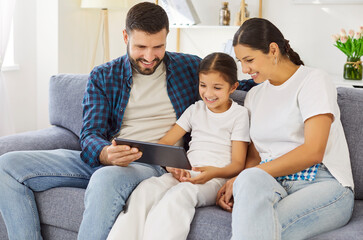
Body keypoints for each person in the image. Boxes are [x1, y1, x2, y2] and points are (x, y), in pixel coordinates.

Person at [0, 2, 256, 240]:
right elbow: (89, 133)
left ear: (167, 37)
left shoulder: (188, 68)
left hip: (151, 163)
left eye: (158, 47)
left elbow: (231, 83)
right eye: (141, 47)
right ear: (125, 37)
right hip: (108, 157)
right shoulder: (104, 76)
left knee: (105, 180)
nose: (150, 56)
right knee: (6, 165)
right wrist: (105, 153)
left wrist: (274, 78)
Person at [216, 18, 355, 240]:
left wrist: (251, 174)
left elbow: (313, 151)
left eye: (249, 59)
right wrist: (239, 180)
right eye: (240, 61)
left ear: (273, 50)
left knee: (262, 228)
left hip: (323, 184)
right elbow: (254, 157)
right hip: (274, 183)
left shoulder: (313, 80)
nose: (244, 69)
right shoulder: (255, 95)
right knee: (249, 182)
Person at [107, 52, 250, 240]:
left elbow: (238, 164)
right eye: (203, 85)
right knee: (145, 190)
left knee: (179, 197)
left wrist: (212, 173)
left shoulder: (239, 115)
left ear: (233, 87)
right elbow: (165, 143)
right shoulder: (195, 110)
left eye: (217, 87)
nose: (208, 93)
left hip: (216, 180)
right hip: (187, 172)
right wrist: (172, 166)